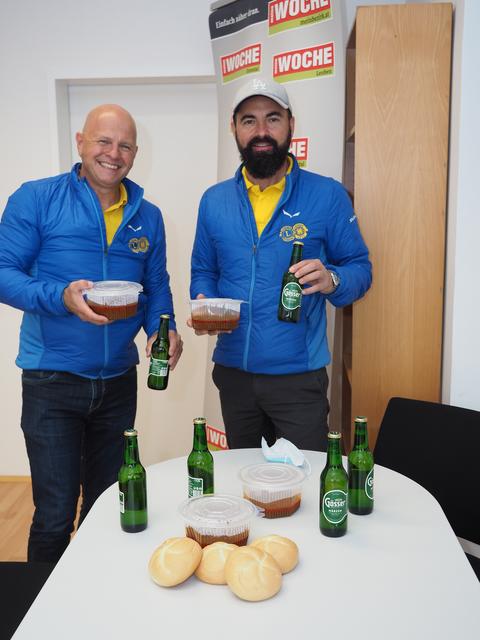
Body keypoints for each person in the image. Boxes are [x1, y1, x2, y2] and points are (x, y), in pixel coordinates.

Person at [0, 104, 182, 563]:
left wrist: (167, 327)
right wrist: (60, 295)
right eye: (103, 141)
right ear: (80, 142)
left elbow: (155, 285)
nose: (112, 153)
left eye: (124, 145)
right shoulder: (36, 198)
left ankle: (101, 604)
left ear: (135, 154)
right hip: (52, 382)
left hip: (118, 383)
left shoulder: (148, 215)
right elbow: (4, 272)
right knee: (55, 512)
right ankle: (40, 614)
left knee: (107, 507)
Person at [189, 78, 371, 452]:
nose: (261, 131)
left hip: (298, 379)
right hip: (234, 375)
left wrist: (333, 278)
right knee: (244, 486)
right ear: (234, 129)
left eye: (272, 119)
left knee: (303, 489)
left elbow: (360, 268)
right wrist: (204, 300)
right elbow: (203, 270)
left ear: (291, 124)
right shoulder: (214, 201)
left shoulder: (327, 195)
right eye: (249, 120)